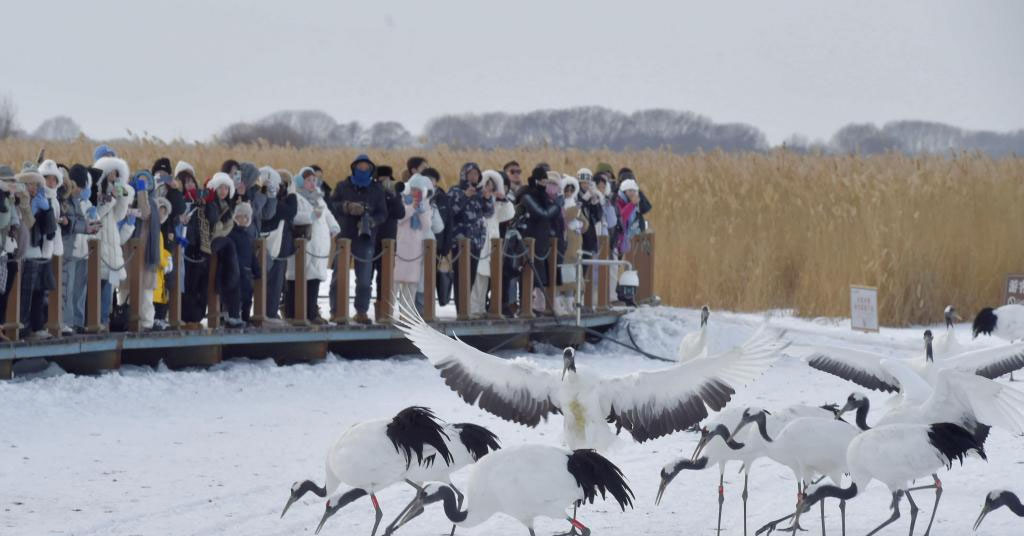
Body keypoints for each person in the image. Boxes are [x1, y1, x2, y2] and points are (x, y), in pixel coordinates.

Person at [329, 155, 386, 324]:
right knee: (339, 275)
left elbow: (383, 213)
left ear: (371, 169)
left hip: (365, 237)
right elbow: (331, 205)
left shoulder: (377, 189)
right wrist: (346, 207)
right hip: (344, 235)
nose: (363, 169)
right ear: (353, 167)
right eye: (360, 166)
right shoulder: (342, 186)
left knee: (364, 278)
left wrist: (370, 220)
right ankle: (336, 311)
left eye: (366, 167)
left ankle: (361, 311)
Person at [286, 167, 339, 324]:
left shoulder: (318, 197)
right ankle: (292, 312)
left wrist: (334, 226)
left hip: (319, 245)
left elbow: (327, 213)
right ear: (301, 181)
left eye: (313, 180)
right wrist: (309, 216)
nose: (312, 183)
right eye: (308, 180)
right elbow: (293, 216)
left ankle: (311, 312)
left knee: (314, 279)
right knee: (297, 279)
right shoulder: (294, 196)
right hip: (303, 245)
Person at [92, 157, 134, 328]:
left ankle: (105, 320)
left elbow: (119, 216)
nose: (113, 176)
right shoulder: (96, 192)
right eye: (111, 172)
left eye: (117, 173)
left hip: (112, 242)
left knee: (109, 286)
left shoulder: (114, 191)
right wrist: (111, 198)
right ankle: (97, 320)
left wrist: (122, 197)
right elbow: (98, 214)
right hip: (99, 241)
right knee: (98, 284)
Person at [448, 162, 493, 316]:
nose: (474, 177)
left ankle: (467, 307)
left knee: (471, 275)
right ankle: (462, 310)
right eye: (471, 174)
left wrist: (487, 199)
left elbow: (488, 213)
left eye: (476, 174)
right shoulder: (455, 190)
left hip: (476, 242)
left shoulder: (480, 192)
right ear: (464, 175)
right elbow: (450, 212)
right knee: (461, 275)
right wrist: (464, 196)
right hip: (460, 241)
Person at [16, 169, 56, 339]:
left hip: (38, 251)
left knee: (38, 292)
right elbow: (24, 224)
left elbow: (50, 231)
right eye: (31, 184)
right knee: (24, 293)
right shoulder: (19, 201)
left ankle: (35, 326)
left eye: (36, 184)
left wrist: (47, 211)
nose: (34, 188)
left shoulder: (42, 201)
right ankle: (22, 328)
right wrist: (30, 209)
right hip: (23, 252)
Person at [469, 170, 515, 317]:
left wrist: (504, 200)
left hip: (492, 246)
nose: (489, 189)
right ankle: (472, 309)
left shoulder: (495, 203)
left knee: (484, 279)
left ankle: (480, 308)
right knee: (476, 278)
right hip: (478, 244)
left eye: (492, 186)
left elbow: (508, 215)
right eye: (487, 185)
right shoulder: (476, 199)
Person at [393, 174, 442, 312]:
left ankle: (407, 314)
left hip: (416, 249)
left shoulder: (426, 205)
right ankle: (388, 312)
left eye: (418, 190)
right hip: (401, 247)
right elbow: (400, 218)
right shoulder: (402, 201)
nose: (415, 192)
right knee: (395, 281)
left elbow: (427, 226)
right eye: (413, 189)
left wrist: (421, 210)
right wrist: (412, 207)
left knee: (412, 282)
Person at [517, 166, 562, 310]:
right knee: (528, 273)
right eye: (543, 181)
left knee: (540, 275)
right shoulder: (527, 196)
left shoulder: (543, 197)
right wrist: (556, 206)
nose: (545, 184)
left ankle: (538, 306)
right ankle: (525, 306)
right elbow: (542, 213)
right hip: (530, 240)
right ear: (536, 180)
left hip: (542, 242)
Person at [63, 164, 101, 332]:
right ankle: (67, 323)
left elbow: (96, 225)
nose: (81, 189)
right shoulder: (67, 201)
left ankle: (78, 322)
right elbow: (73, 224)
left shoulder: (85, 203)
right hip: (70, 251)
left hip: (85, 252)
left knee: (80, 290)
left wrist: (93, 218)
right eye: (80, 186)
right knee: (68, 289)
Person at [262, 167, 295, 324]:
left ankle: (271, 311)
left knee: (277, 282)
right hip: (274, 247)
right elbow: (291, 211)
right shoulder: (277, 202)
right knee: (273, 281)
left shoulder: (276, 201)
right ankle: (269, 313)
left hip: (281, 246)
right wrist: (293, 194)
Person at [371, 165, 405, 316]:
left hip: (389, 240)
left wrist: (392, 196)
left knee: (385, 276)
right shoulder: (372, 190)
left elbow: (400, 213)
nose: (386, 182)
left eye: (388, 179)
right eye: (383, 179)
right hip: (371, 237)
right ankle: (364, 309)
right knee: (366, 276)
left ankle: (383, 309)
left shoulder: (394, 192)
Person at [422, 167, 453, 307]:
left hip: (438, 245)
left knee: (432, 277)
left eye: (432, 180)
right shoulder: (418, 196)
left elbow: (449, 223)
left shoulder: (442, 197)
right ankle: (422, 308)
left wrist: (446, 246)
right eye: (426, 179)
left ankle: (429, 308)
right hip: (419, 244)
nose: (429, 182)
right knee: (420, 279)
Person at [227, 202, 259, 325]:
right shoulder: (232, 235)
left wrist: (256, 269)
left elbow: (251, 254)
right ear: (236, 218)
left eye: (246, 217)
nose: (243, 219)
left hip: (246, 271)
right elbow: (231, 253)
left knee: (247, 296)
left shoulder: (247, 235)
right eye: (240, 216)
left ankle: (245, 318)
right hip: (236, 270)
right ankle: (234, 317)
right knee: (236, 295)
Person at [614, 178, 652, 256]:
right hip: (618, 243)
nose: (632, 193)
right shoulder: (618, 202)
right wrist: (632, 204)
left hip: (630, 242)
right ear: (624, 192)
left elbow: (641, 223)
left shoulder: (635, 204)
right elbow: (622, 217)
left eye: (634, 191)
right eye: (629, 191)